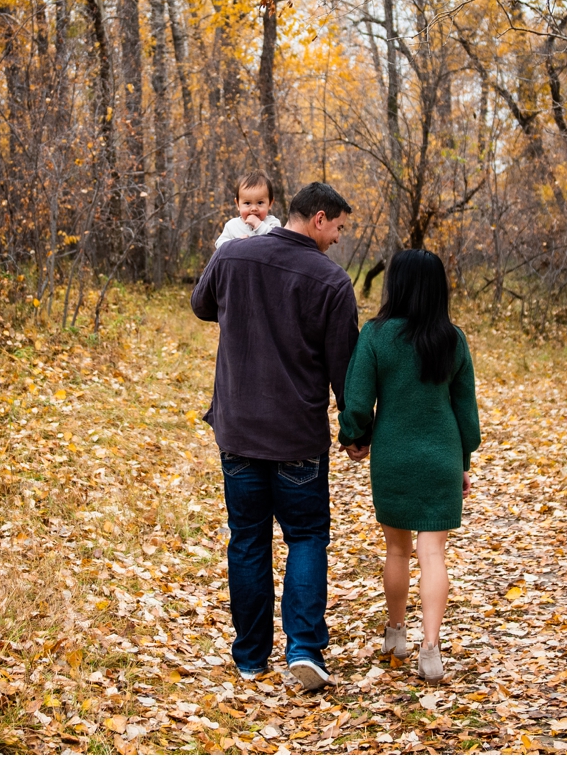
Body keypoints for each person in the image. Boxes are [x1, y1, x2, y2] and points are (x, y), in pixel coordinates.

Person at [191, 181, 359, 692]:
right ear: (319, 218)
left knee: (247, 539)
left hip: (239, 430)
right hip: (296, 437)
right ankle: (304, 649)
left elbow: (201, 305)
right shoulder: (331, 281)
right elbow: (344, 369)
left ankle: (250, 657)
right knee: (306, 536)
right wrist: (356, 430)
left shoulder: (233, 257)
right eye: (339, 228)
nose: (338, 239)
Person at [338, 248, 480, 684]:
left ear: (394, 284)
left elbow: (358, 402)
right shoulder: (452, 340)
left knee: (397, 550)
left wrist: (354, 436)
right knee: (433, 554)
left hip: (393, 457)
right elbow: (467, 417)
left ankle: (396, 635)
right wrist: (462, 462)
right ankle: (431, 650)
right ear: (439, 289)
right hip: (441, 457)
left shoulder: (376, 336)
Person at [214, 172, 283, 249]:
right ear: (237, 204)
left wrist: (259, 225)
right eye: (247, 203)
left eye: (260, 203)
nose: (254, 208)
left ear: (270, 203)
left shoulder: (272, 223)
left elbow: (278, 242)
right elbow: (219, 244)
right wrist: (237, 242)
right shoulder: (232, 226)